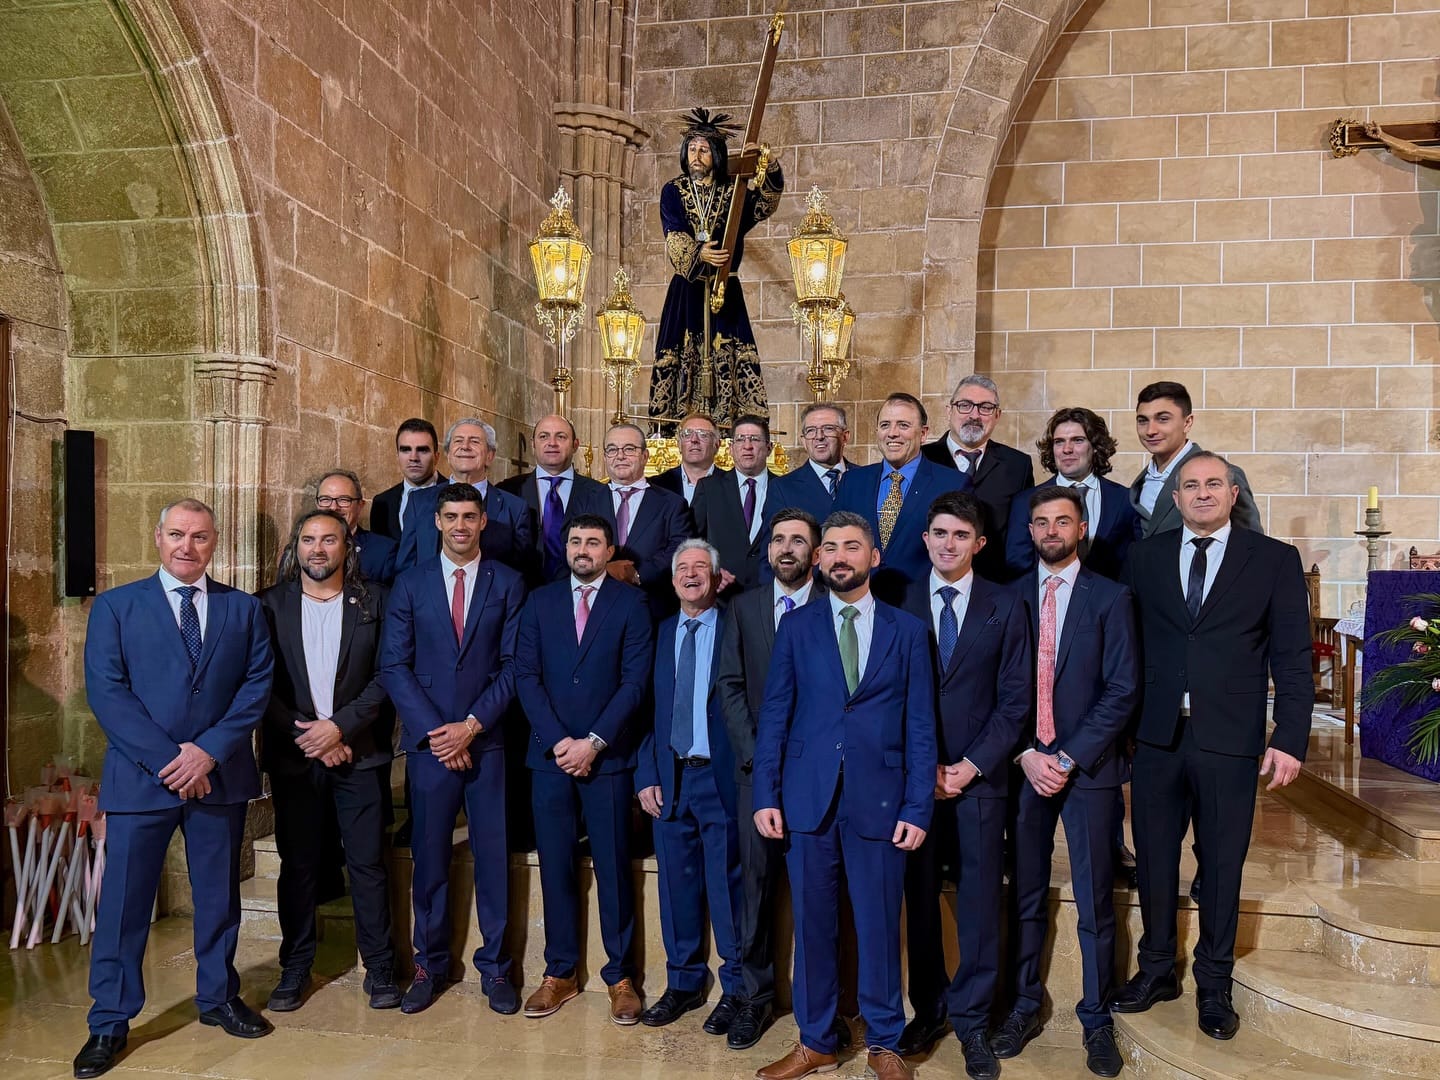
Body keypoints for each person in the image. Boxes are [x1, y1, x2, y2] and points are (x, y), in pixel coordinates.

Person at [1112, 453, 1311, 1042]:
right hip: (1156, 734)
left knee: (1222, 862)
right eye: (1190, 485)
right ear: (1175, 499)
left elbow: (1293, 657)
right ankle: (1156, 970)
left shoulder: (1273, 559)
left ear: (1232, 494)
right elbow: (1126, 645)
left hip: (1229, 736)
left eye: (1213, 484)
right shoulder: (1144, 557)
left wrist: (1290, 738)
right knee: (1153, 857)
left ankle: (1214, 982)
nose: (1202, 493)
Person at [75, 499, 275, 1079]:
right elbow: (107, 692)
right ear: (158, 538)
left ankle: (218, 997)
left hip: (219, 776)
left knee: (219, 897)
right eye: (177, 535)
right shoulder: (116, 607)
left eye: (201, 536)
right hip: (142, 779)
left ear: (215, 543)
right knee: (124, 904)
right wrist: (173, 761)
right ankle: (109, 1020)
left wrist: (208, 752)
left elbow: (256, 687)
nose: (188, 546)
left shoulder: (243, 609)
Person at [752, 511, 937, 1080]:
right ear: (818, 559)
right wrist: (766, 794)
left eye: (851, 547)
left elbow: (921, 726)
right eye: (829, 547)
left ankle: (885, 1042)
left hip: (881, 803)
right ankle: (816, 1042)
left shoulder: (908, 631)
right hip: (807, 801)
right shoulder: (796, 627)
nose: (838, 557)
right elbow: (775, 715)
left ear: (873, 557)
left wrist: (917, 806)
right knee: (812, 928)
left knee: (879, 925)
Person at [991, 487, 1137, 1079]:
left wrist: (1070, 756)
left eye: (1063, 521)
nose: (1051, 530)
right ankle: (1024, 1004)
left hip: (1090, 769)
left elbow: (1122, 688)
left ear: (1081, 529)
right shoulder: (1007, 597)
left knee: (1096, 898)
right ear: (1029, 531)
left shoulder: (1112, 596)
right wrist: (1027, 752)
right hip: (1025, 767)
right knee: (1024, 892)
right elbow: (997, 687)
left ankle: (1096, 1017)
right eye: (1041, 522)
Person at [378, 482, 525, 1016]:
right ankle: (429, 965)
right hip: (430, 745)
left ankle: (497, 968)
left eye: (469, 516)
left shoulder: (508, 582)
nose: (460, 526)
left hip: (487, 743)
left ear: (482, 522)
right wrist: (439, 732)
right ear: (437, 522)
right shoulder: (410, 584)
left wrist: (472, 725)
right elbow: (394, 665)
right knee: (430, 857)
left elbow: (515, 665)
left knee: (493, 857)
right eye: (451, 517)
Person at [716, 509, 857, 1053]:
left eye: (799, 540)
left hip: (823, 775)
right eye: (779, 539)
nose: (787, 548)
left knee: (824, 893)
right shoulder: (743, 607)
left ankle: (828, 1007)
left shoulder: (837, 606)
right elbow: (730, 686)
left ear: (816, 554)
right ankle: (754, 997)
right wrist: (761, 759)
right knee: (754, 886)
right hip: (757, 773)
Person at [898, 492, 1030, 1068]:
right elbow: (884, 694)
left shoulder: (1007, 603)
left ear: (979, 543)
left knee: (978, 899)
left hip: (980, 779)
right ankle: (928, 1010)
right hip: (915, 780)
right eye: (939, 533)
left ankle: (974, 1021)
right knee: (920, 898)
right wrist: (921, 765)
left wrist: (972, 764)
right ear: (925, 538)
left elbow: (1016, 698)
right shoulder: (898, 600)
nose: (948, 544)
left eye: (960, 535)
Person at [515, 514, 653, 1025]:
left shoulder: (631, 604)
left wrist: (593, 742)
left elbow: (635, 683)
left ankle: (621, 977)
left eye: (593, 542)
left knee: (613, 868)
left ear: (609, 550)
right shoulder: (540, 601)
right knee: (555, 866)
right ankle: (560, 973)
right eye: (575, 541)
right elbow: (526, 676)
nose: (583, 549)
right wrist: (559, 742)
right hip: (550, 758)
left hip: (607, 759)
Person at [258, 510, 398, 1013]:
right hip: (296, 759)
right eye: (309, 540)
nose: (318, 549)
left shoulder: (376, 602)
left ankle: (379, 966)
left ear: (347, 547)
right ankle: (295, 967)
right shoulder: (267, 606)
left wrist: (340, 728)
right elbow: (260, 683)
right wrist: (310, 736)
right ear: (296, 548)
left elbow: (388, 675)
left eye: (329, 540)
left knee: (367, 864)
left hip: (359, 755)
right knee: (298, 866)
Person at [636, 541, 744, 1034]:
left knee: (727, 886)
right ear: (673, 579)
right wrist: (646, 773)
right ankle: (683, 983)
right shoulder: (660, 633)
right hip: (670, 779)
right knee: (676, 886)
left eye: (702, 567)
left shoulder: (736, 629)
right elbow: (646, 711)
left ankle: (737, 988)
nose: (691, 574)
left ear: (717, 578)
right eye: (683, 567)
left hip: (720, 779)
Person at [648, 107, 784, 430]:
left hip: (725, 288)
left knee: (731, 354)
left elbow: (764, 205)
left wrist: (770, 166)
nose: (697, 155)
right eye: (692, 148)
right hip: (688, 289)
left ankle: (733, 426)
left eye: (704, 149)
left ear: (716, 155)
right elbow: (673, 233)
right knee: (682, 355)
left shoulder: (733, 191)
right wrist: (699, 253)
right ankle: (675, 426)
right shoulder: (673, 191)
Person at [833, 393, 971, 605]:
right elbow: (833, 540)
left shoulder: (953, 484)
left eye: (903, 425)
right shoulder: (852, 481)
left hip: (921, 606)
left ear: (923, 434)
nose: (892, 433)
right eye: (885, 425)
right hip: (859, 603)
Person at [1004, 407, 1140, 583]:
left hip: (1108, 598)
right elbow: (1017, 565)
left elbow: (1132, 563)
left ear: (1095, 446)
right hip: (1045, 596)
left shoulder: (1124, 499)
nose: (1067, 449)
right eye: (1059, 442)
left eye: (1078, 440)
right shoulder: (1025, 501)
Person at [921, 375, 1034, 583]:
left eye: (985, 408)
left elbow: (1022, 537)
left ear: (997, 415)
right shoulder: (922, 460)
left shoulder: (1018, 465)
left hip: (995, 586)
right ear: (949, 411)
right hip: (929, 583)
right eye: (965, 405)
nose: (974, 415)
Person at [396, 418, 533, 575]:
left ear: (490, 455)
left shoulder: (515, 508)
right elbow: (405, 568)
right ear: (448, 454)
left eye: (474, 441)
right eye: (458, 441)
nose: (465, 447)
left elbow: (521, 572)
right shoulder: (419, 502)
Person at [1130, 381, 1261, 537]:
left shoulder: (1226, 474)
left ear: (1187, 423)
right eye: (1143, 421)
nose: (1150, 430)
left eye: (1163, 419)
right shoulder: (1140, 483)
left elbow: (1252, 541)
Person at [597, 422, 696, 621]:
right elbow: (573, 546)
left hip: (652, 607)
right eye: (612, 449)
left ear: (645, 455)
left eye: (629, 449)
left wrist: (637, 574)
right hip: (598, 606)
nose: (620, 456)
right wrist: (602, 572)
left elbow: (680, 548)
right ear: (605, 457)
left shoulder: (672, 503)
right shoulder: (587, 499)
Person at [499, 413, 609, 582]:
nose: (552, 443)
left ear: (575, 445)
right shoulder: (508, 490)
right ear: (533, 444)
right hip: (522, 589)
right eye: (544, 436)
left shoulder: (600, 493)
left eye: (561, 437)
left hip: (581, 587)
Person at [692, 414, 779, 593]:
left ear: (769, 448)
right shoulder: (709, 488)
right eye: (740, 439)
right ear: (731, 448)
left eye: (755, 439)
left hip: (770, 592)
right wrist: (709, 570)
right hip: (722, 594)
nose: (747, 446)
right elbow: (692, 540)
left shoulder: (784, 488)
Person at [769, 403, 854, 523]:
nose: (819, 437)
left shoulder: (868, 480)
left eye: (828, 428)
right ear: (803, 441)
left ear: (845, 437)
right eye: (811, 430)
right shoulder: (782, 488)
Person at [314, 470, 396, 585]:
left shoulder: (383, 551)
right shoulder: (299, 548)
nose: (333, 507)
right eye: (325, 499)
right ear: (317, 504)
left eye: (343, 500)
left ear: (360, 505)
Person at [369, 418, 440, 541]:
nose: (413, 458)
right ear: (397, 456)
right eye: (406, 450)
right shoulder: (381, 503)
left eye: (422, 450)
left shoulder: (456, 494)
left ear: (436, 457)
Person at [652, 413, 729, 505]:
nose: (694, 440)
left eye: (703, 435)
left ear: (716, 445)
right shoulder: (656, 485)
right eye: (687, 434)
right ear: (679, 444)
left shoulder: (732, 485)